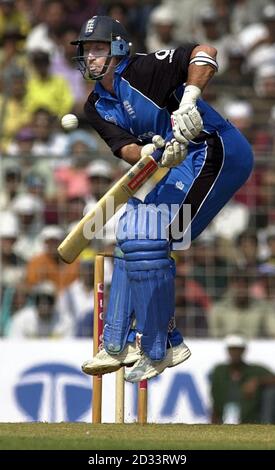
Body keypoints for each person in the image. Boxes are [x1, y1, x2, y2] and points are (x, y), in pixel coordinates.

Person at [70, 16, 254, 382]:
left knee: (150, 238)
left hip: (217, 152)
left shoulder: (145, 69)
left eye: (97, 49)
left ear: (118, 48)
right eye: (86, 50)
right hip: (179, 164)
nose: (90, 57)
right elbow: (125, 148)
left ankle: (161, 344)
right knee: (128, 234)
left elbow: (205, 52)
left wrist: (189, 98)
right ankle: (116, 343)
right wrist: (152, 153)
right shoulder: (95, 106)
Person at [210, 334, 275, 424]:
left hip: (251, 420)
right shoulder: (219, 371)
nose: (235, 353)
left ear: (244, 350)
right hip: (225, 420)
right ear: (228, 351)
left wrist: (257, 381)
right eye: (232, 349)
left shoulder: (255, 370)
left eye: (238, 349)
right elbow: (215, 400)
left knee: (271, 392)